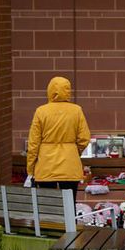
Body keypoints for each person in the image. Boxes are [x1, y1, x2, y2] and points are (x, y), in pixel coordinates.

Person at [26, 76, 91, 206]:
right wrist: (73, 151)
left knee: (48, 207)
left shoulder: (41, 111)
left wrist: (31, 169)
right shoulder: (76, 110)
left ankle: (49, 227)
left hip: (45, 166)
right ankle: (70, 227)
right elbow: (84, 138)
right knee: (69, 205)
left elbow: (33, 143)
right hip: (70, 166)